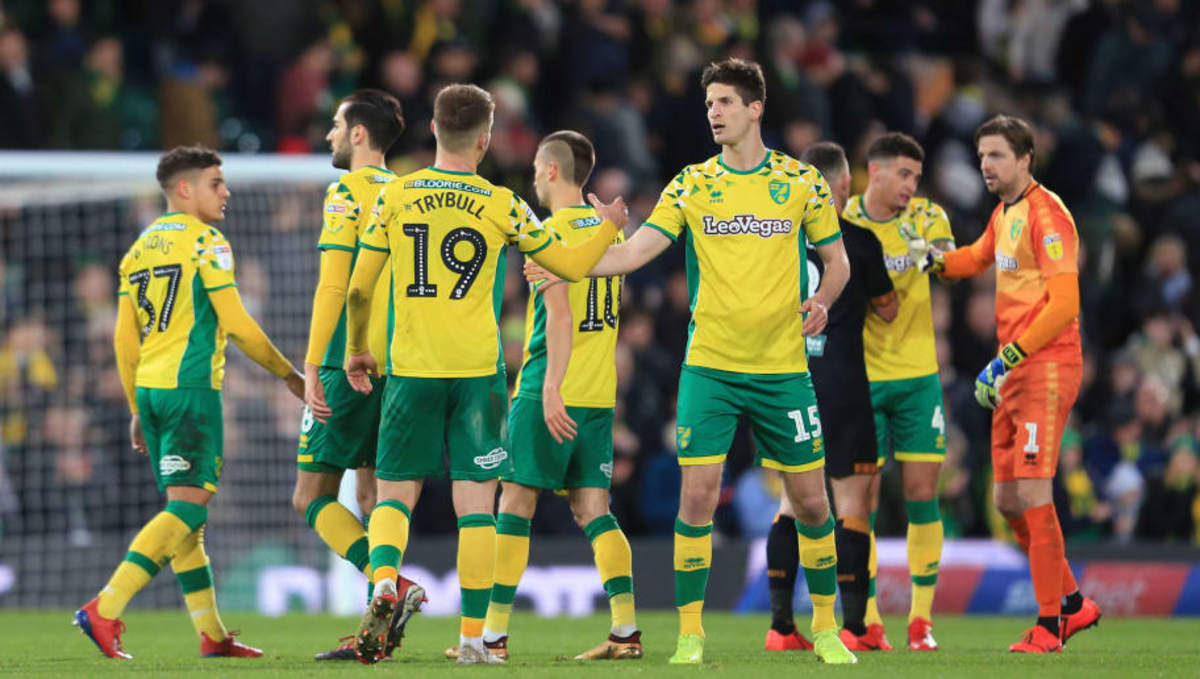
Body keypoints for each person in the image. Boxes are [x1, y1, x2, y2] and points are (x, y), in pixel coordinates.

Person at [530, 58, 856, 665]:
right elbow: (631, 256)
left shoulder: (799, 183)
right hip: (709, 367)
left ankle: (830, 627)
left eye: (726, 102)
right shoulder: (691, 184)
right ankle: (689, 633)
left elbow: (837, 262)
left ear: (756, 108)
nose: (714, 112)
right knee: (697, 499)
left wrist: (823, 302)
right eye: (710, 103)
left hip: (783, 370)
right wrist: (569, 259)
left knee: (812, 501)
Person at [341, 83, 624, 665]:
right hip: (478, 377)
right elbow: (570, 265)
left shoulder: (395, 196)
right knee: (477, 506)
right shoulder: (503, 204)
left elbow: (358, 288)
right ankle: (475, 639)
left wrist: (357, 350)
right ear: (486, 140)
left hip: (412, 370)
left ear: (434, 130)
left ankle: (386, 581)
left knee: (395, 496)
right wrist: (607, 224)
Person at [75, 146, 305, 659]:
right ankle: (105, 608)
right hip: (190, 391)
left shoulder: (138, 250)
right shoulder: (207, 242)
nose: (226, 192)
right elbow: (238, 323)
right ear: (185, 189)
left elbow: (123, 340)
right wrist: (287, 373)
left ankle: (212, 634)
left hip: (154, 394)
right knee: (187, 508)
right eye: (216, 183)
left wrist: (136, 405)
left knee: (188, 518)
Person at [907, 114, 1102, 653]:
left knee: (1034, 491)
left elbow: (1065, 303)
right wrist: (934, 261)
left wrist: (1011, 354)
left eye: (995, 156)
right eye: (981, 157)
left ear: (1024, 159)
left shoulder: (1048, 214)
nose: (985, 166)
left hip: (1045, 365)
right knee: (1009, 499)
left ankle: (1050, 624)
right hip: (1011, 369)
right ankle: (1073, 603)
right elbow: (975, 257)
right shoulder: (1003, 214)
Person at [446, 131, 641, 663]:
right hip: (599, 395)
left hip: (546, 390)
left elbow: (559, 317)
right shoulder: (610, 237)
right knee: (595, 510)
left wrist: (551, 389)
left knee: (515, 503)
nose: (533, 176)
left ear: (553, 171)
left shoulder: (549, 234)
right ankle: (625, 631)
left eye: (536, 167)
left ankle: (493, 636)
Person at [292, 89, 427, 662]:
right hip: (404, 364)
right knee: (373, 494)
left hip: (350, 361)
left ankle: (386, 583)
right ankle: (381, 607)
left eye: (335, 126)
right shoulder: (407, 194)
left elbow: (336, 284)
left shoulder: (345, 190)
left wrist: (314, 362)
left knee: (310, 494)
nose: (328, 135)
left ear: (359, 135)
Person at [763, 141, 896, 653]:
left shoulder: (783, 243)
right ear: (843, 187)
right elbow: (887, 310)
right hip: (843, 383)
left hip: (792, 382)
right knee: (852, 504)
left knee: (791, 502)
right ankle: (855, 627)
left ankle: (780, 627)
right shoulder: (859, 243)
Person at [841, 132, 953, 651]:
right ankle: (866, 621)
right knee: (861, 500)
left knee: (921, 495)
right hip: (862, 380)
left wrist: (930, 257)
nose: (912, 185)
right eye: (903, 174)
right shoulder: (844, 222)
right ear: (875, 171)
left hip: (917, 379)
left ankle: (921, 620)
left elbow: (951, 264)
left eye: (916, 176)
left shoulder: (928, 218)